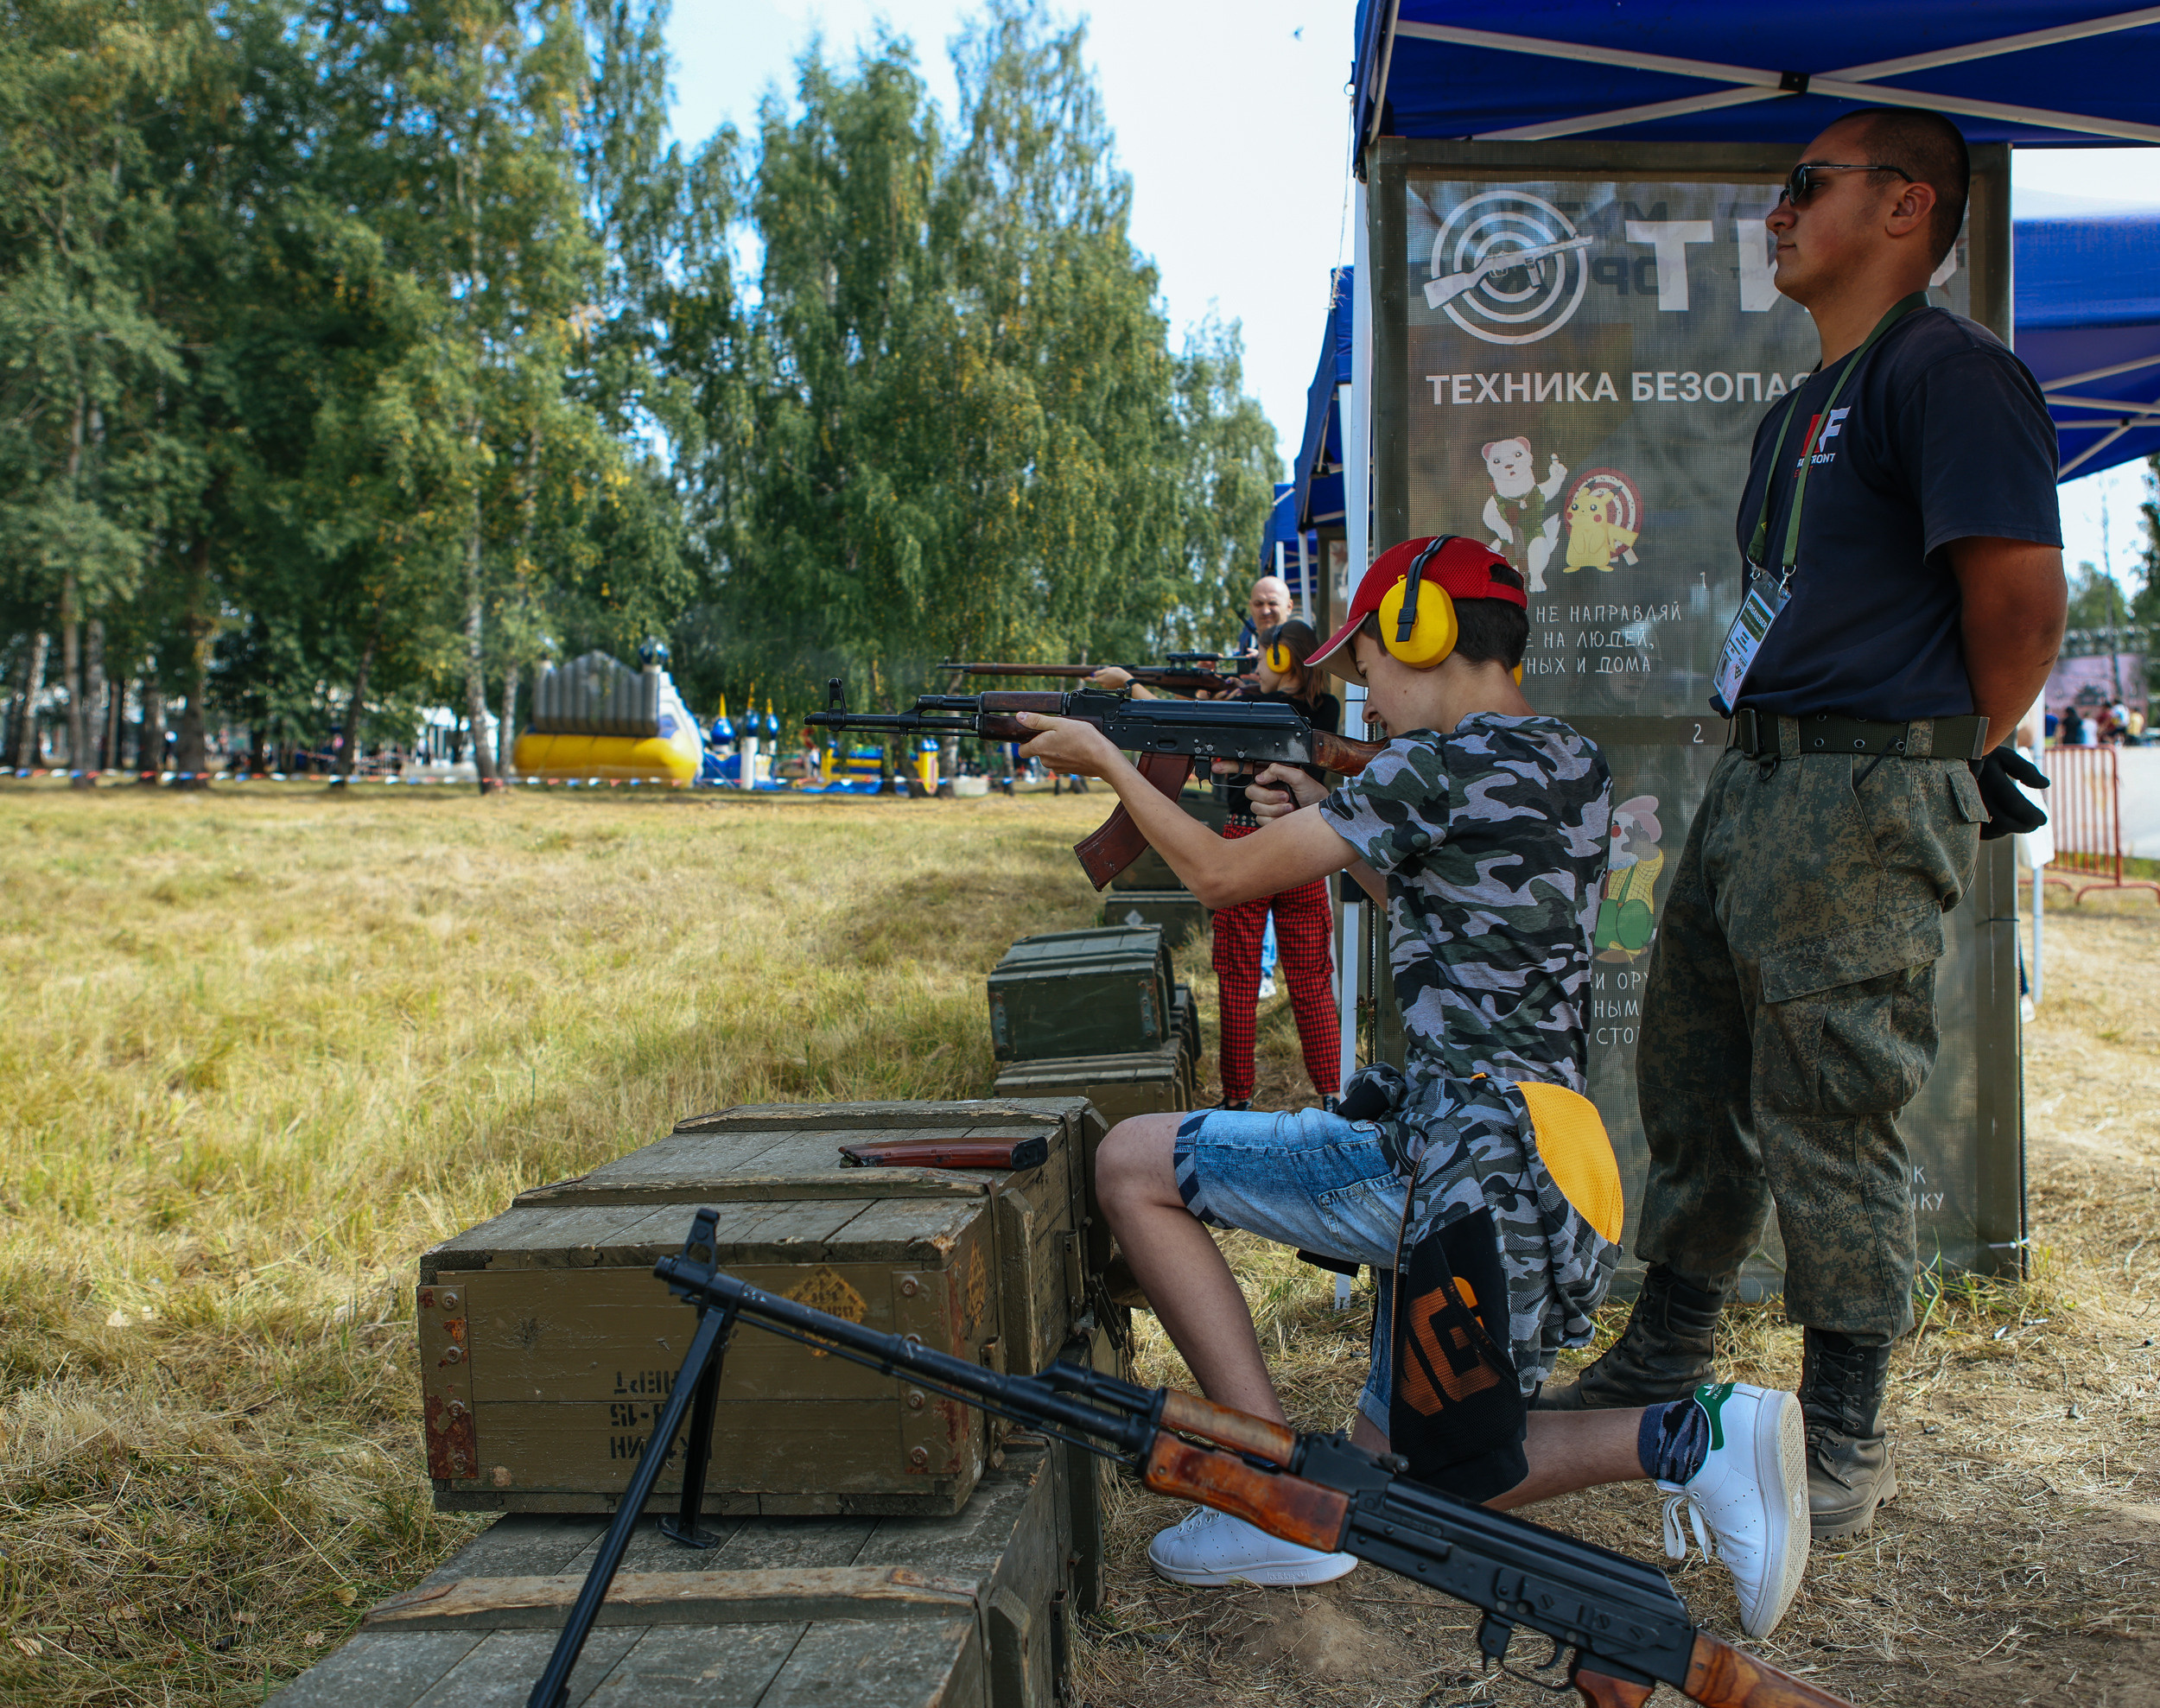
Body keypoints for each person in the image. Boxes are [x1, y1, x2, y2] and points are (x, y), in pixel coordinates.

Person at [1014, 537, 1812, 1639]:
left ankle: (1271, 1489)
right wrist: (1340, 831)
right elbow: (1460, 916)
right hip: (1550, 1158)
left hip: (1456, 1156)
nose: (1365, 697)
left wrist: (1108, 762)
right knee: (1397, 1476)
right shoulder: (1569, 761)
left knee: (1131, 1162)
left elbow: (1214, 874)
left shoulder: (1424, 770)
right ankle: (1676, 1442)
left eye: (1369, 668)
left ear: (1422, 636)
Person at [1537, 109, 2067, 1547]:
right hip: (1760, 780)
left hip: (1856, 788)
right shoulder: (1801, 407)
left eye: (1800, 188)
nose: (1775, 215)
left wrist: (1939, 754)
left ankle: (1839, 1433)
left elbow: (2017, 612)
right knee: (1691, 1070)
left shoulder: (1949, 374)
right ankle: (1673, 1339)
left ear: (1905, 207)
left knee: (1834, 1101)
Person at [1206, 620, 1341, 1110]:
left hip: (1249, 839)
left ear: (1284, 658)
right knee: (1311, 979)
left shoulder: (1253, 705)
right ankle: (1332, 1093)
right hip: (1304, 847)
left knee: (1240, 979)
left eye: (1264, 657)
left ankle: (1238, 1100)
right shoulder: (1326, 706)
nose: (1257, 666)